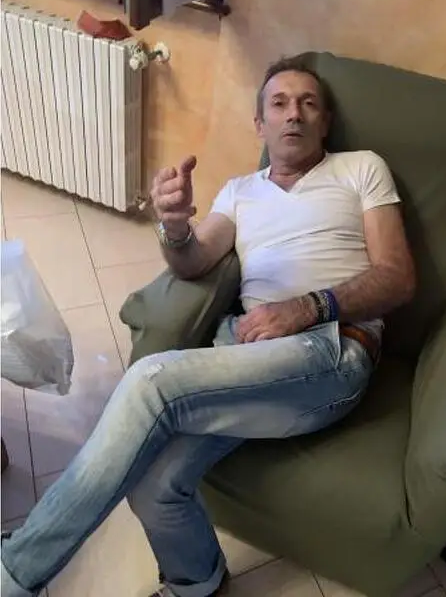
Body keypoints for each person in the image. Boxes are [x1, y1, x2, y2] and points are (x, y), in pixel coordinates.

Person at [1, 57, 416, 597]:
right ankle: (198, 584)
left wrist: (308, 308)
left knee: (150, 381)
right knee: (155, 486)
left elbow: (397, 277)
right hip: (246, 346)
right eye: (279, 103)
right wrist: (173, 227)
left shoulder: (360, 168)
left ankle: (15, 572)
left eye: (308, 103)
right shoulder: (240, 191)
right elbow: (193, 262)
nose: (294, 113)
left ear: (326, 121)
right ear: (260, 125)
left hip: (330, 347)